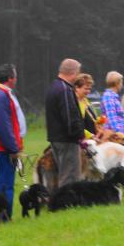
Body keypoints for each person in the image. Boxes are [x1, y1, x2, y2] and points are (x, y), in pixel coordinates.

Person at [0, 64, 23, 220]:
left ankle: (2, 215)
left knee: (3, 181)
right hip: (3, 147)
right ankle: (4, 216)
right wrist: (13, 148)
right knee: (6, 183)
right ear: (9, 78)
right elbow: (3, 126)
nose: (16, 80)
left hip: (1, 145)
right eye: (15, 76)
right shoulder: (0, 95)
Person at [45, 58, 85, 187]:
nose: (78, 76)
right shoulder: (65, 90)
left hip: (56, 138)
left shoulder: (53, 87)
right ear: (73, 72)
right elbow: (69, 117)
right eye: (78, 73)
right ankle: (66, 199)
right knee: (70, 177)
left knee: (63, 173)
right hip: (67, 140)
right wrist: (78, 135)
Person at [100, 72, 124, 140]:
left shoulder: (114, 97)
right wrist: (122, 137)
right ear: (117, 83)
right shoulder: (108, 97)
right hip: (114, 137)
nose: (122, 85)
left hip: (121, 135)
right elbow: (112, 120)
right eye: (121, 82)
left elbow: (121, 121)